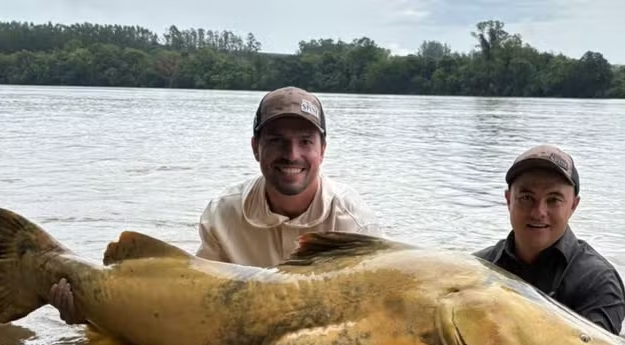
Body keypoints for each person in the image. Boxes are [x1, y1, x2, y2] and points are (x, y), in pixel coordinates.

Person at [48, 86, 382, 325]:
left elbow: (366, 318)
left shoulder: (355, 223)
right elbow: (198, 305)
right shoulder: (224, 211)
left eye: (305, 142)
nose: (291, 154)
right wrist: (92, 313)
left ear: (322, 150)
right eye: (276, 140)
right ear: (255, 148)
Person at [473, 144, 625, 335]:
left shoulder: (599, 282)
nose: (538, 212)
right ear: (508, 200)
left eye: (553, 200)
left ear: (573, 205)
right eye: (527, 197)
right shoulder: (477, 268)